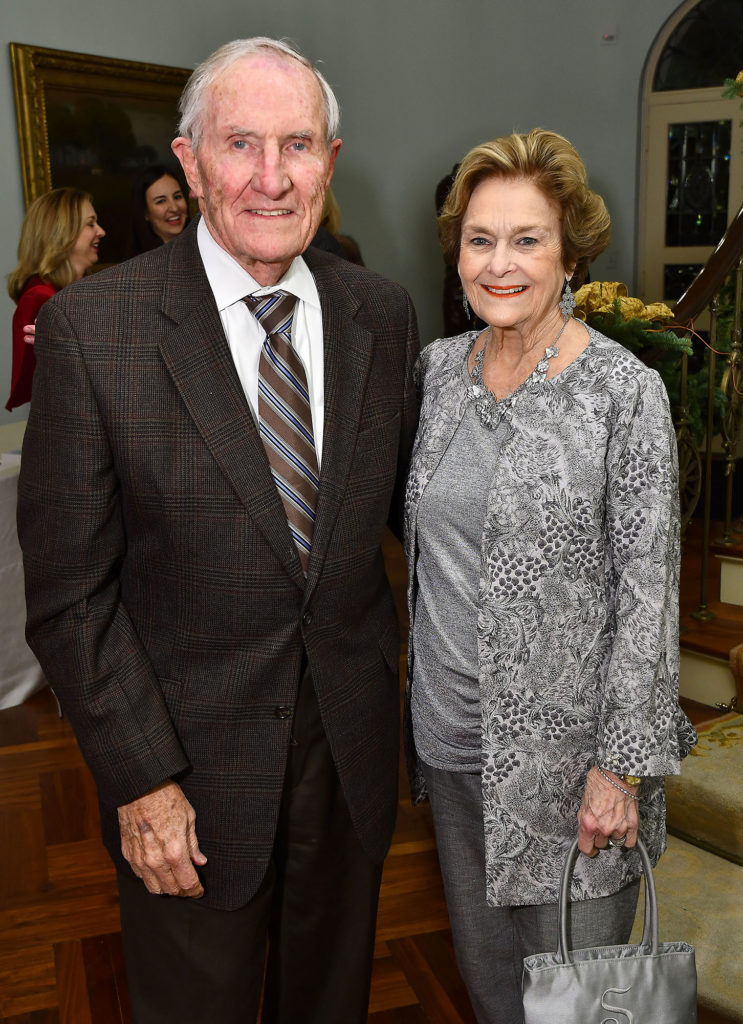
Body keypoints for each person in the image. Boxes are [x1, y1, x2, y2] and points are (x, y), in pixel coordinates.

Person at [18, 37, 418, 1024]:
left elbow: (414, 522)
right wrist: (142, 779)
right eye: (240, 144)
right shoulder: (95, 330)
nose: (271, 178)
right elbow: (70, 591)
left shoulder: (382, 313)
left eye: (297, 145)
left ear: (330, 159)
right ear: (190, 162)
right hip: (185, 775)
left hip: (348, 760)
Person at [402, 128, 696, 1024]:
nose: (499, 264)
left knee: (585, 1002)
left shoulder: (623, 392)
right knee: (493, 990)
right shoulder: (434, 377)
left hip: (571, 772)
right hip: (449, 751)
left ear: (570, 254)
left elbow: (649, 594)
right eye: (479, 239)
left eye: (526, 239)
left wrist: (620, 770)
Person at [5, 187, 104, 411]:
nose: (101, 231)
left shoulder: (67, 294)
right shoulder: (41, 299)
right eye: (90, 224)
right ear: (63, 234)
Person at [128, 164, 189, 255]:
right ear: (145, 213)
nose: (174, 208)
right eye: (161, 201)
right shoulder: (139, 266)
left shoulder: (206, 250)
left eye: (177, 197)